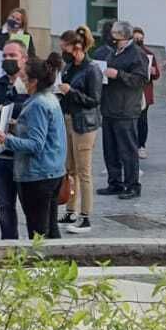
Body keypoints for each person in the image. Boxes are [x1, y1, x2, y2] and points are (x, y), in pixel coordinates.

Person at [0, 55, 69, 240]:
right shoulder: (49, 98)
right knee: (51, 229)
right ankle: (57, 258)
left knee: (38, 232)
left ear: (34, 81)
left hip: (38, 174)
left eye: (23, 77)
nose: (20, 81)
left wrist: (6, 139)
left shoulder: (37, 104)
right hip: (53, 170)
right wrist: (18, 126)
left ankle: (41, 259)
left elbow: (35, 144)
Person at [0, 40, 31, 240]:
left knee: (30, 206)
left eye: (12, 56)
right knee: (4, 205)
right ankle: (9, 246)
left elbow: (29, 112)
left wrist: (3, 109)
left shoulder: (31, 85)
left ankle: (35, 248)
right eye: (4, 56)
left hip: (24, 155)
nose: (7, 59)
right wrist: (9, 114)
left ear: (24, 59)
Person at [98, 20, 150, 199]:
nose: (110, 36)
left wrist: (118, 74)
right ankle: (115, 183)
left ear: (123, 35)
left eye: (114, 33)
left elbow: (140, 79)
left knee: (127, 150)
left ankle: (132, 185)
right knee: (110, 149)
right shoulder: (113, 52)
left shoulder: (137, 54)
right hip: (109, 107)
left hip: (125, 109)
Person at [57, 28, 102, 233]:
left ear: (76, 47)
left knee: (84, 171)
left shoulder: (92, 69)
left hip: (84, 124)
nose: (63, 52)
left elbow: (94, 100)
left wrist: (71, 92)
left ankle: (85, 216)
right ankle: (70, 210)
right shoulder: (69, 67)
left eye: (64, 48)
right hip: (68, 119)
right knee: (70, 168)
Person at [134, 26, 162, 159]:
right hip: (131, 91)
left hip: (145, 91)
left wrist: (153, 71)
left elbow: (157, 74)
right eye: (136, 38)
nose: (138, 40)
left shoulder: (149, 54)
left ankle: (141, 145)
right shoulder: (128, 53)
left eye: (140, 38)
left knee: (142, 120)